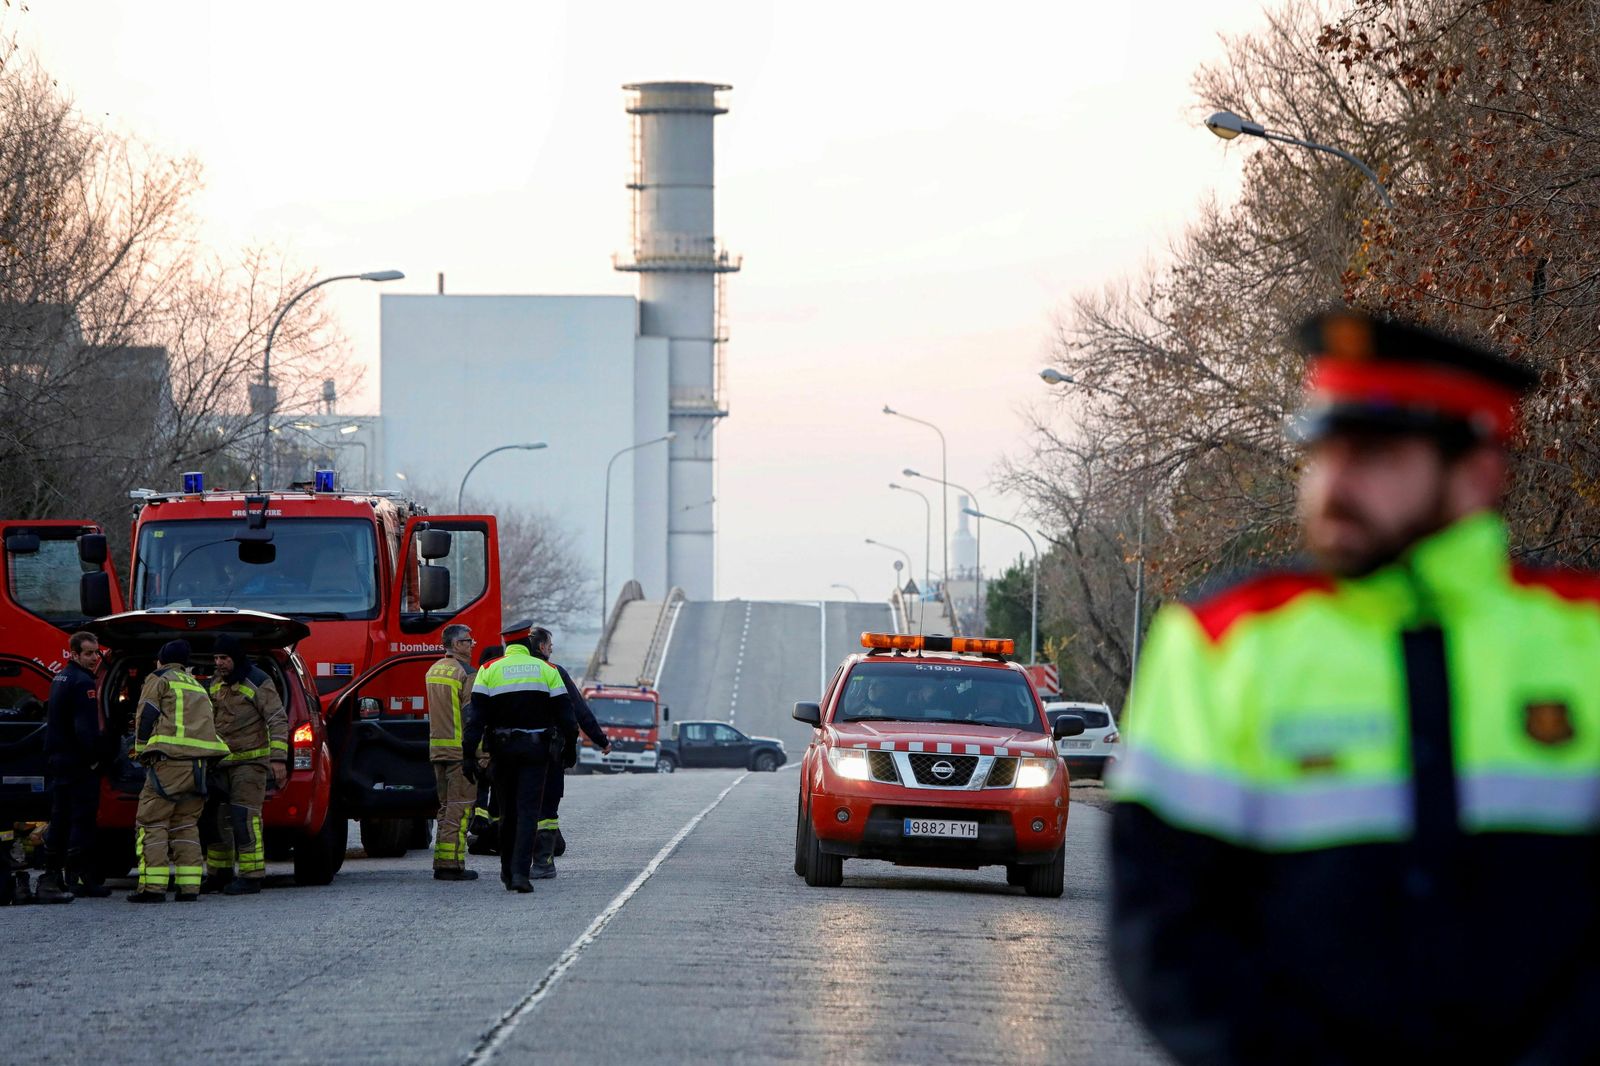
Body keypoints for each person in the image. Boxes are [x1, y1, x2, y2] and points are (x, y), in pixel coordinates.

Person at [1108, 309, 1600, 1064]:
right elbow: (1163, 927)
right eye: (1324, 453)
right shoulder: (1223, 643)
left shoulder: (1582, 638)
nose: (1333, 485)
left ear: (1476, 475)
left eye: (1374, 455)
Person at [463, 620, 577, 893]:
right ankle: (520, 874)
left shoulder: (488, 670)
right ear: (528, 643)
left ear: (506, 643)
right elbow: (567, 717)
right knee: (528, 812)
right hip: (536, 753)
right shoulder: (548, 670)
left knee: (507, 812)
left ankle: (506, 869)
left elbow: (475, 720)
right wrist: (569, 749)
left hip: (502, 753)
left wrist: (468, 756)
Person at [128, 640, 228, 903]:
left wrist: (141, 751)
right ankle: (189, 887)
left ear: (161, 660)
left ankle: (153, 888)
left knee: (152, 822)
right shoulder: (196, 684)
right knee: (186, 825)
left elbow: (147, 714)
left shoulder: (159, 679)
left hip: (168, 763)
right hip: (199, 767)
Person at [203, 635, 288, 895]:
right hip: (220, 764)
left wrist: (278, 759)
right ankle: (220, 873)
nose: (219, 663)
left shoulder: (258, 681)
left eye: (224, 658)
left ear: (236, 657)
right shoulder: (216, 682)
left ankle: (251, 876)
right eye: (216, 658)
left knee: (244, 818)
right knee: (216, 820)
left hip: (250, 763)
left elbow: (277, 719)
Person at [529, 627, 610, 877]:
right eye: (550, 645)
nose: (551, 650)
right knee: (547, 808)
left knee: (519, 805)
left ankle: (514, 866)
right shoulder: (553, 671)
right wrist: (599, 740)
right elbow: (576, 711)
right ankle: (543, 862)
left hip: (510, 752)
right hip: (547, 750)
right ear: (542, 647)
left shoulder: (498, 670)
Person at [40, 631, 113, 902]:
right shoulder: (83, 683)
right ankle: (79, 877)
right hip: (78, 763)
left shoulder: (60, 678)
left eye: (97, 652)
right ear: (74, 654)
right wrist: (96, 759)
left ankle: (53, 875)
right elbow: (85, 730)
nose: (94, 658)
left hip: (59, 760)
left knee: (60, 818)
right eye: (88, 653)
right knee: (82, 819)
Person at [425, 623, 478, 881]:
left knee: (446, 808)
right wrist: (481, 755)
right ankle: (450, 865)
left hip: (438, 750)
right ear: (456, 644)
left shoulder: (434, 669)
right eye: (468, 641)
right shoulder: (466, 673)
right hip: (459, 752)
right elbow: (472, 719)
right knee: (460, 809)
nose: (472, 644)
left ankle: (443, 860)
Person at [465, 643, 503, 857]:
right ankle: (493, 832)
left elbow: (474, 722)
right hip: (493, 753)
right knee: (495, 794)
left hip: (481, 752)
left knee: (480, 791)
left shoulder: (477, 680)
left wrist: (477, 755)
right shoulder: (497, 683)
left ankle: (481, 826)